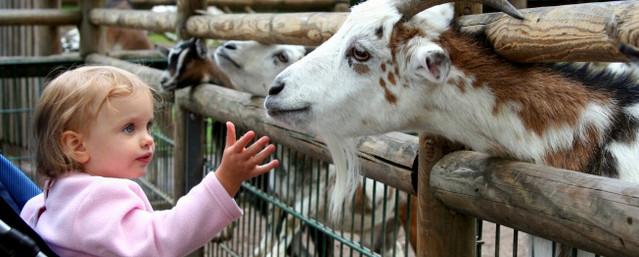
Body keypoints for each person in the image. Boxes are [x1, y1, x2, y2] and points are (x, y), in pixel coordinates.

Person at [20, 65, 279, 257]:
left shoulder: (49, 199)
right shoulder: (95, 199)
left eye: (148, 126)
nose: (148, 139)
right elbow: (161, 240)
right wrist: (224, 181)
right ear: (77, 145)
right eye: (129, 129)